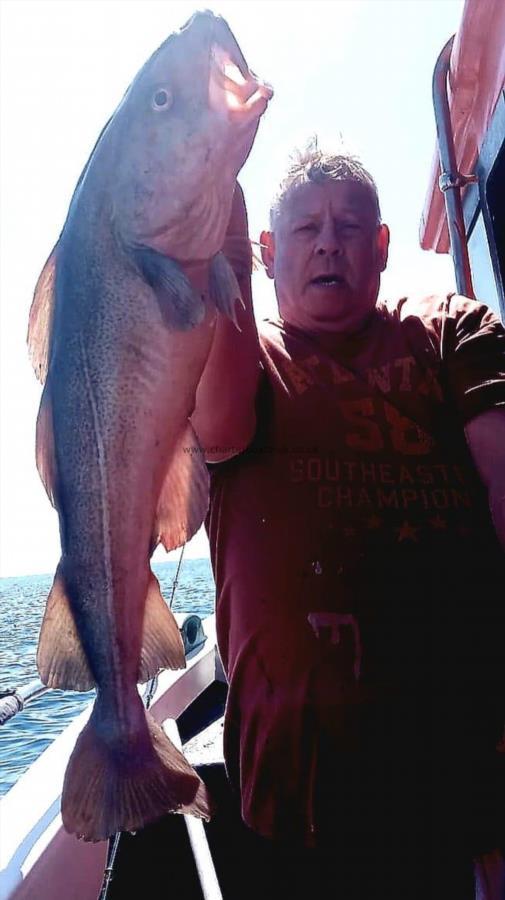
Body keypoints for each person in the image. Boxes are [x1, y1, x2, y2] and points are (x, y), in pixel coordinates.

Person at [191, 141, 505, 899]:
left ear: (382, 246)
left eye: (350, 225)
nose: (329, 241)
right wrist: (218, 215)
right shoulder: (241, 353)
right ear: (266, 251)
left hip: (467, 764)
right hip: (299, 785)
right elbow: (222, 428)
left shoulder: (445, 329)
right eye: (305, 229)